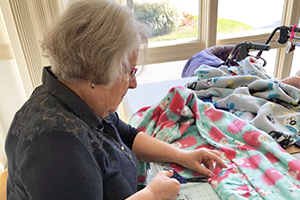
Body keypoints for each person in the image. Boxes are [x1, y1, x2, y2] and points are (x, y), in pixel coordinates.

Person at [5, 0, 226, 199]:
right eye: (129, 72)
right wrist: (152, 195)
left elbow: (124, 135)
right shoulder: (58, 152)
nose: (133, 84)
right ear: (95, 72)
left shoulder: (76, 98)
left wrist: (183, 155)